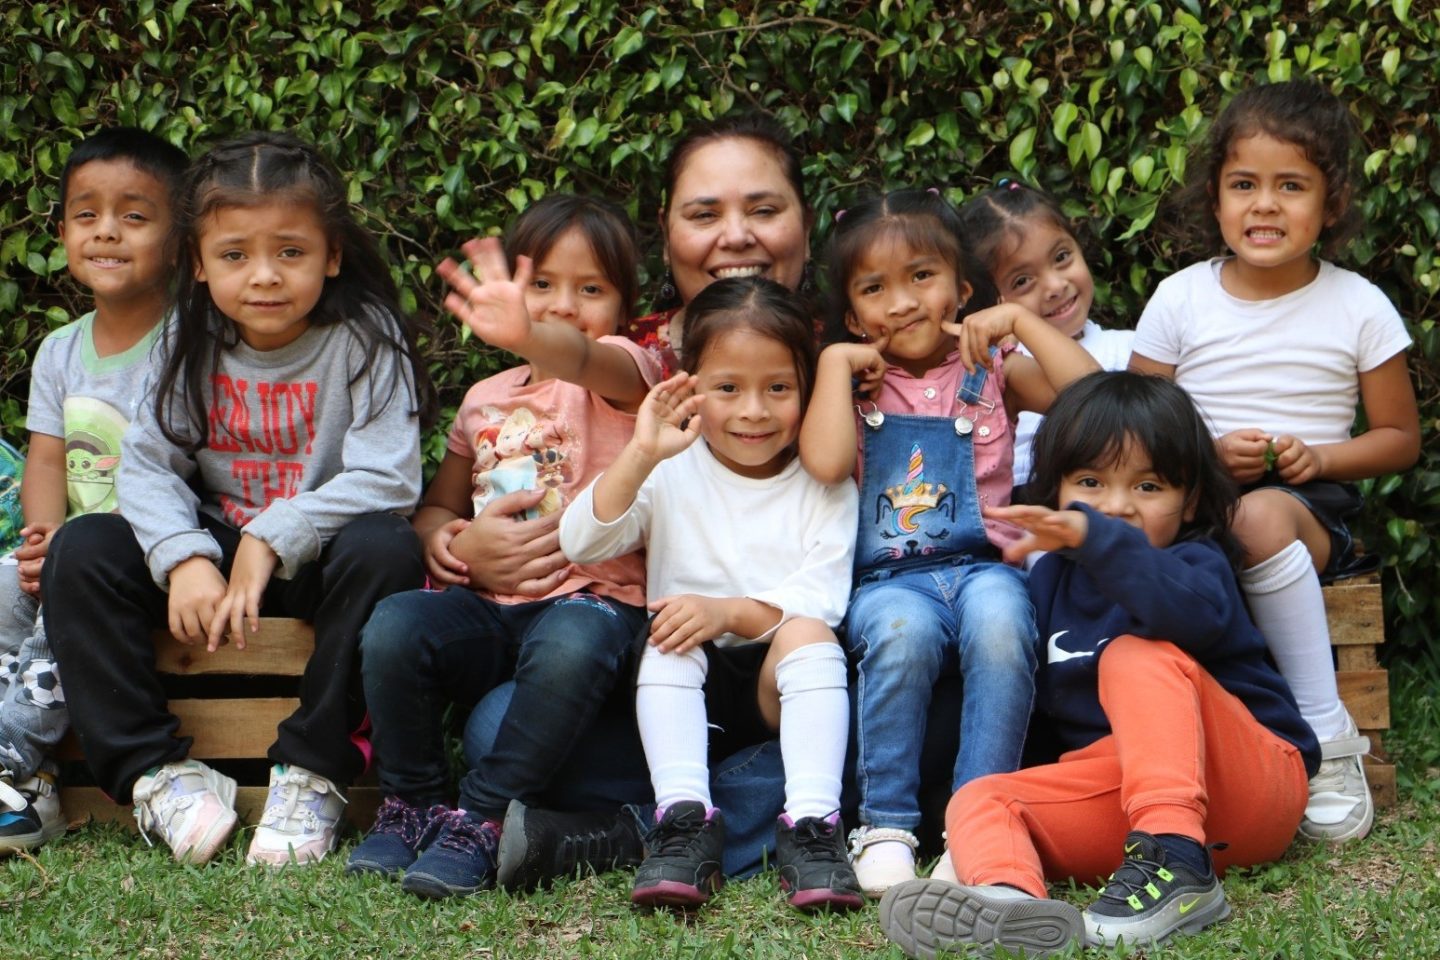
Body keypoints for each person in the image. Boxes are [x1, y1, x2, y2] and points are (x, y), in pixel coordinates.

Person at [42, 131, 435, 867]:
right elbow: (148, 465)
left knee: (388, 546)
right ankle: (157, 775)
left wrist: (274, 535)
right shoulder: (187, 336)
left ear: (333, 255)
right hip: (217, 564)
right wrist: (185, 555)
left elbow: (389, 476)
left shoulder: (364, 338)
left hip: (322, 558)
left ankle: (313, 773)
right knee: (82, 548)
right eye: (234, 255)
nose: (264, 277)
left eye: (291, 252)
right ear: (197, 263)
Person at [468, 113, 816, 888]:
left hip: (798, 657)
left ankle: (635, 833)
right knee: (498, 725)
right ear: (667, 235)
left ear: (805, 219)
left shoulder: (844, 355)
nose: (736, 236)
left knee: (878, 706)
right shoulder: (648, 357)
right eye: (704, 214)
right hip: (665, 667)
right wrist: (462, 540)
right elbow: (584, 362)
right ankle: (702, 817)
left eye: (763, 209)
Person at [877, 371, 1321, 957]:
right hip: (1129, 798)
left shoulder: (1197, 564)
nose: (1117, 506)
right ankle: (1011, 907)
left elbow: (1185, 615)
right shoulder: (1051, 583)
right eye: (1090, 482)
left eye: (1148, 486)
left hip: (1249, 779)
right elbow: (1034, 717)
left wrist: (1096, 539)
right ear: (1056, 490)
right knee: (981, 797)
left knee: (1134, 656)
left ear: (1189, 501)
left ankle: (1177, 859)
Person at [344, 195, 662, 899]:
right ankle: (413, 804)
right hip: (492, 610)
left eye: (591, 289)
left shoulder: (625, 374)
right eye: (542, 284)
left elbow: (581, 355)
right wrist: (445, 539)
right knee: (397, 624)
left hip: (595, 603)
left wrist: (533, 334)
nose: (564, 305)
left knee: (573, 642)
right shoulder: (487, 397)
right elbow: (438, 506)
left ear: (624, 307)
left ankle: (483, 818)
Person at [1129, 80, 1420, 843]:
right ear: (1215, 198)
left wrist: (1316, 455)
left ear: (1331, 204)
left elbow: (1399, 437)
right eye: (1244, 185)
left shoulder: (1358, 305)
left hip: (1307, 514)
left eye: (1291, 186)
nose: (1264, 205)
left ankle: (1327, 740)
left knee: (1255, 516)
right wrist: (1200, 455)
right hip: (1193, 503)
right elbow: (1132, 429)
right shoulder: (1181, 299)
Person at [799, 188, 1099, 897]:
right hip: (889, 580)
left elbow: (1090, 397)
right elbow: (824, 462)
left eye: (921, 277)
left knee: (1002, 625)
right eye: (875, 288)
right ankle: (886, 826)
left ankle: (978, 822)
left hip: (982, 566)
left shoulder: (992, 368)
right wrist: (836, 369)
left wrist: (1021, 317)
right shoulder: (853, 385)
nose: (901, 302)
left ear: (963, 290)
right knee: (898, 636)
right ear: (851, 316)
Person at [560, 277, 864, 912]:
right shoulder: (671, 464)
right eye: (728, 388)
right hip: (685, 689)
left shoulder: (825, 481)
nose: (753, 410)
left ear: (807, 387)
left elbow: (823, 597)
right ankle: (684, 820)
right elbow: (581, 542)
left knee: (809, 632)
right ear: (689, 383)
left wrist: (726, 611)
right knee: (668, 638)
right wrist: (641, 452)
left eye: (778, 388)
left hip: (778, 689)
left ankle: (812, 829)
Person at [0, 128, 186, 854]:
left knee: (65, 609)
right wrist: (40, 541)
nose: (107, 230)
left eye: (135, 216)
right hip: (73, 550)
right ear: (62, 233)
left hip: (145, 560)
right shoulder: (60, 349)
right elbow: (46, 459)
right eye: (86, 214)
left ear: (179, 241)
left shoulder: (189, 343)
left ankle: (12, 762)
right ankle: (34, 791)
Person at [956, 179, 1134, 492]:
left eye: (1062, 257)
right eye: (1022, 280)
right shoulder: (994, 366)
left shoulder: (1134, 349)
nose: (1054, 286)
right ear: (991, 300)